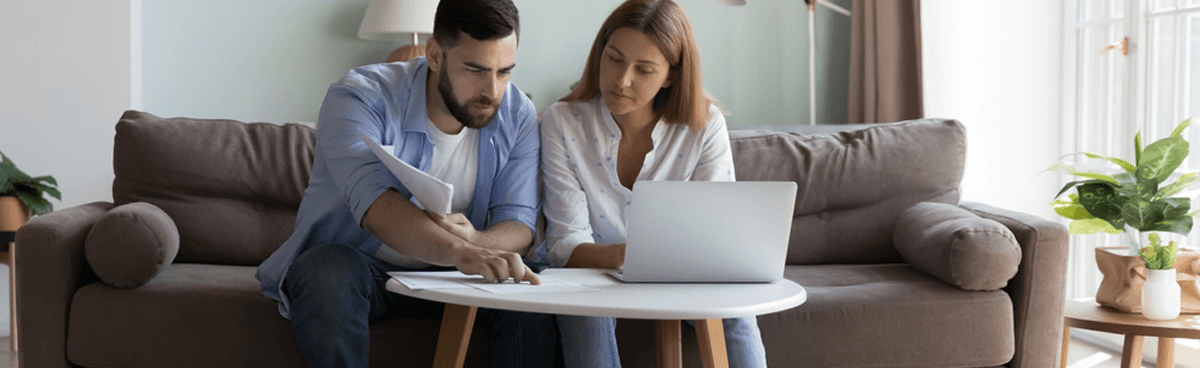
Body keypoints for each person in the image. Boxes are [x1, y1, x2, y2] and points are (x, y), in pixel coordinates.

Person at [256, 0, 553, 367]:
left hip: (461, 275)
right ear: (434, 55)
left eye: (504, 71)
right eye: (475, 70)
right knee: (324, 269)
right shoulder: (358, 97)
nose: (491, 90)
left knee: (535, 286)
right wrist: (463, 253)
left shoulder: (517, 113)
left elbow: (519, 224)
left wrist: (478, 243)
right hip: (367, 267)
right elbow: (376, 208)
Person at [536, 0, 767, 367]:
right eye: (614, 59)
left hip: (683, 277)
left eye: (644, 70)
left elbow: (716, 238)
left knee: (736, 312)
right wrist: (624, 256)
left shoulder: (704, 126)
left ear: (671, 76)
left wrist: (659, 261)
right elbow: (565, 243)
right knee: (582, 313)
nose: (621, 80)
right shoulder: (562, 122)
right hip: (591, 275)